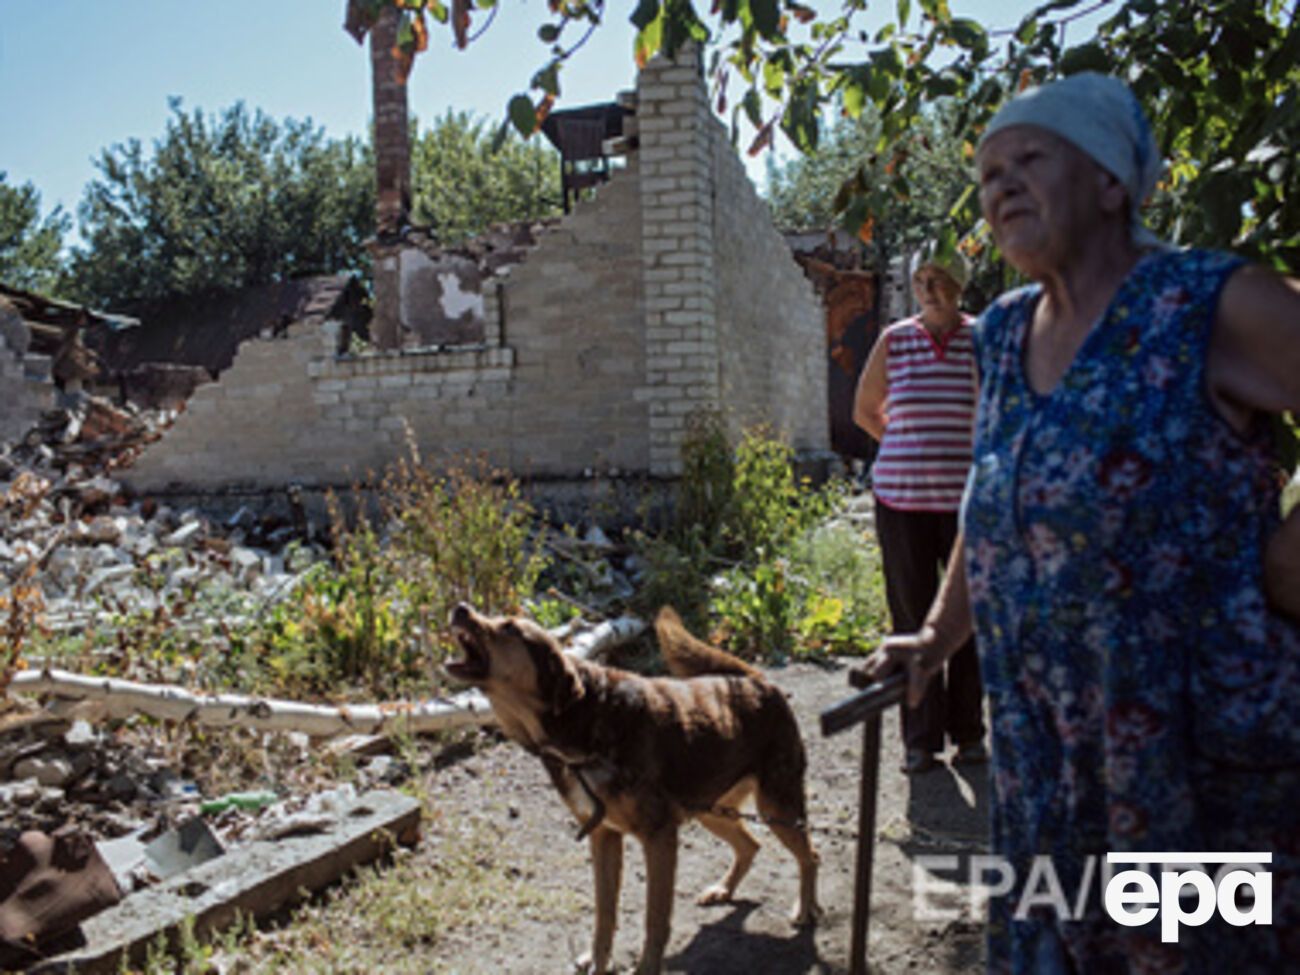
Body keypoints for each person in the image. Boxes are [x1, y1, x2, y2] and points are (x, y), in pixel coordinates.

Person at [867, 72, 1300, 972]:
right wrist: (937, 638)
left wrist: (1289, 563)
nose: (999, 185)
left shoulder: (1207, 303)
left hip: (1188, 752)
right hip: (1044, 758)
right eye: (988, 173)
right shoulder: (1004, 331)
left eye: (1030, 157)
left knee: (1190, 953)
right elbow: (994, 510)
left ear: (1113, 183)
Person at [853, 248, 986, 774]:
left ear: (959, 284)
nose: (929, 289)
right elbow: (865, 410)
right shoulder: (896, 339)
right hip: (901, 502)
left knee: (969, 621)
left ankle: (970, 733)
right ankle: (920, 741)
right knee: (911, 619)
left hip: (967, 507)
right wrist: (906, 442)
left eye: (940, 280)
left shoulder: (983, 338)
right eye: (922, 280)